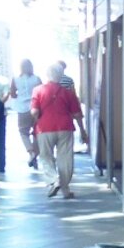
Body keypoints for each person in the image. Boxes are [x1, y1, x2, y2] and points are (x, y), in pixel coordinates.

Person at [31, 64, 86, 198]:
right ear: (61, 75)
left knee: (46, 156)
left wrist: (35, 123)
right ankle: (65, 189)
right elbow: (77, 114)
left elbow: (34, 112)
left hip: (44, 128)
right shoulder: (68, 93)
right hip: (65, 127)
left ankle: (54, 180)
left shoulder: (38, 90)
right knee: (65, 158)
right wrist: (83, 131)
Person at [8, 59, 41, 169]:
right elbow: (42, 93)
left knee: (23, 132)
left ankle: (30, 152)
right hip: (35, 108)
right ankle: (35, 154)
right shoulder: (37, 79)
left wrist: (21, 95)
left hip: (22, 108)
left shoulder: (16, 79)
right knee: (37, 132)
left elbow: (12, 94)